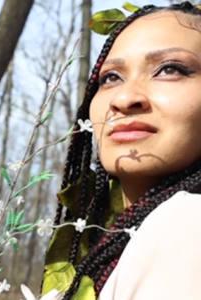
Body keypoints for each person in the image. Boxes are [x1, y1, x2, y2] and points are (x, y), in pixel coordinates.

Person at [41, 2, 201, 300]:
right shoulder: (114, 246)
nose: (124, 98)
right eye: (111, 77)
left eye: (170, 69)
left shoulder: (187, 221)